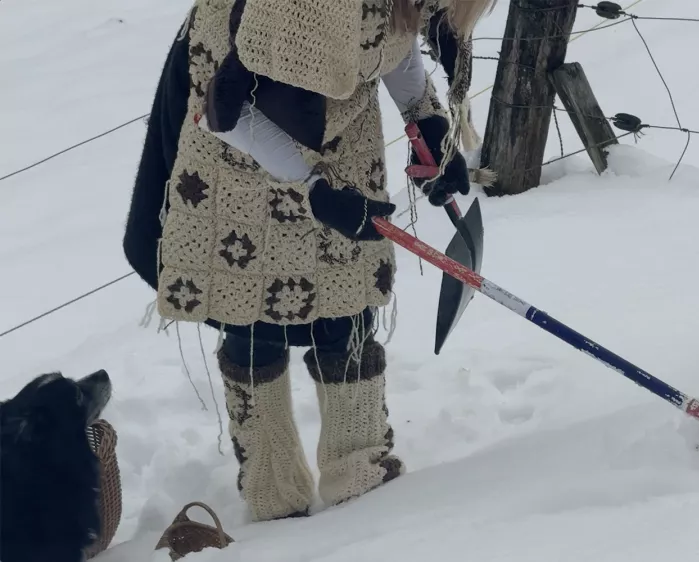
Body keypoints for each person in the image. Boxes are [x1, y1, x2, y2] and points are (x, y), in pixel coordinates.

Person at [123, 0, 494, 522]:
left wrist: (426, 121)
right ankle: (271, 482)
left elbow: (389, 38)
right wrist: (314, 191)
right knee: (251, 306)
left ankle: (358, 463)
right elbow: (226, 111)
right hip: (233, 127)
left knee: (348, 286)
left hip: (339, 119)